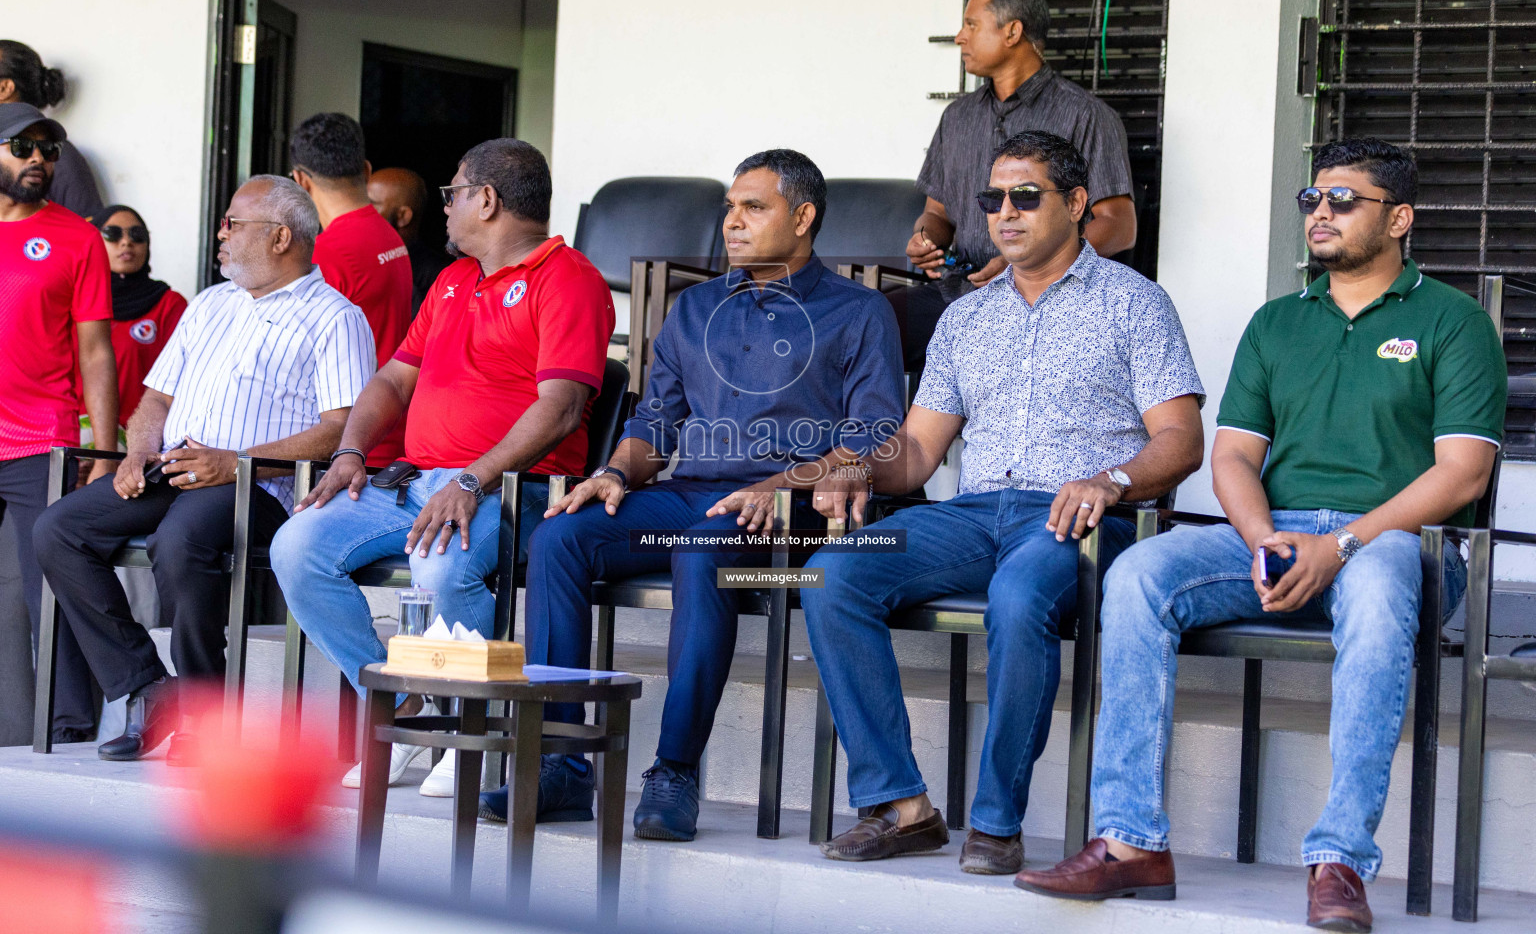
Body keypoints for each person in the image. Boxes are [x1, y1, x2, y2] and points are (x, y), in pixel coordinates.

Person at [1016, 139, 1507, 934]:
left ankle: (1339, 860)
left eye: (1344, 200)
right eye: (1312, 200)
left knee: (1380, 586)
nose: (1321, 212)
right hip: (1277, 538)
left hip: (1400, 547)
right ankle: (1130, 841)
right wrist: (1264, 539)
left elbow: (1461, 475)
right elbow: (1235, 456)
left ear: (1400, 218)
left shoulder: (1453, 322)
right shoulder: (1278, 322)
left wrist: (1340, 545)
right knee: (1138, 571)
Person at [803, 132, 1204, 875]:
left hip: (1080, 518)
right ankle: (901, 807)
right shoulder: (967, 318)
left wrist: (1110, 479)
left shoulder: (1135, 303)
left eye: (1026, 196)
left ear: (1077, 204)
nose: (1005, 213)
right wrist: (858, 463)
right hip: (973, 513)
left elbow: (1181, 441)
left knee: (1020, 598)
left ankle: (996, 822)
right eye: (993, 199)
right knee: (834, 573)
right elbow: (920, 452)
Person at [482, 148, 905, 839]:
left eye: (753, 207)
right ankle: (561, 764)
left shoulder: (860, 313)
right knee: (559, 535)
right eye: (729, 207)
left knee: (704, 546)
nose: (731, 222)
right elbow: (655, 422)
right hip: (691, 493)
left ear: (803, 219)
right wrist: (615, 473)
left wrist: (779, 483)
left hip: (790, 511)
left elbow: (873, 436)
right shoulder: (695, 308)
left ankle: (674, 770)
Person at [272, 138, 614, 798]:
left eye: (453, 193)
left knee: (440, 566)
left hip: (511, 486)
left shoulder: (569, 278)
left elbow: (563, 408)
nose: (446, 208)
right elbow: (393, 381)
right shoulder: (453, 280)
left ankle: (466, 727)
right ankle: (405, 702)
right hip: (412, 479)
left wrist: (471, 478)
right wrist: (349, 451)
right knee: (296, 547)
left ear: (486, 200)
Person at [32, 175, 375, 764]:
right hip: (175, 468)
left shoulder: (334, 316)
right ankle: (148, 686)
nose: (221, 234)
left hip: (261, 485)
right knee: (57, 530)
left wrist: (235, 462)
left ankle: (203, 712)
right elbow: (156, 402)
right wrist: (138, 450)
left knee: (182, 538)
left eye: (233, 224)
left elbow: (339, 430)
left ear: (280, 237)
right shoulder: (211, 303)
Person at [891, 0, 1137, 375]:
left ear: (1012, 31)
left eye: (971, 25)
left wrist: (1020, 265)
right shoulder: (957, 117)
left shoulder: (1085, 115)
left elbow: (1119, 227)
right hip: (960, 291)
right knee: (863, 328)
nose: (959, 37)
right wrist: (926, 239)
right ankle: (874, 438)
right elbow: (936, 213)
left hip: (1048, 299)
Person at [0, 102, 117, 744]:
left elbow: (95, 351)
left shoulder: (75, 236)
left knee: (48, 592)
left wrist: (102, 450)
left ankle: (68, 728)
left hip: (39, 440)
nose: (40, 160)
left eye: (50, 149)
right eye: (24, 148)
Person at [289, 112, 412, 464]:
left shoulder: (323, 254)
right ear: (367, 170)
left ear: (300, 180)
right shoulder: (389, 234)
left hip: (349, 447)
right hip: (386, 430)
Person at [78, 205, 188, 440]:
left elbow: (180, 383)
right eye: (113, 234)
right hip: (72, 434)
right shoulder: (75, 299)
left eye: (137, 235)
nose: (126, 243)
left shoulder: (169, 304)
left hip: (141, 439)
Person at [0, 41, 103, 218]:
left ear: (4, 88)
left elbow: (86, 235)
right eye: (21, 148)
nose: (37, 158)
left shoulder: (59, 157)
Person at [368, 166, 454, 313]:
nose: (361, 211)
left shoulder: (438, 278)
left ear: (403, 217)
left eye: (372, 205)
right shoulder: (364, 260)